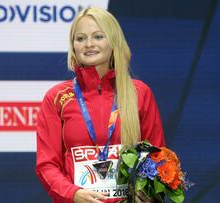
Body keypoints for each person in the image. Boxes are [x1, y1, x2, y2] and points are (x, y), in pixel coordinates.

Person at [36, 7, 165, 203]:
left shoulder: (139, 92)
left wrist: (148, 192)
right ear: (73, 46)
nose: (88, 44)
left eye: (98, 36)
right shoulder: (57, 97)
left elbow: (156, 156)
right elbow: (47, 165)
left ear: (113, 42)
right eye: (80, 39)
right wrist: (73, 194)